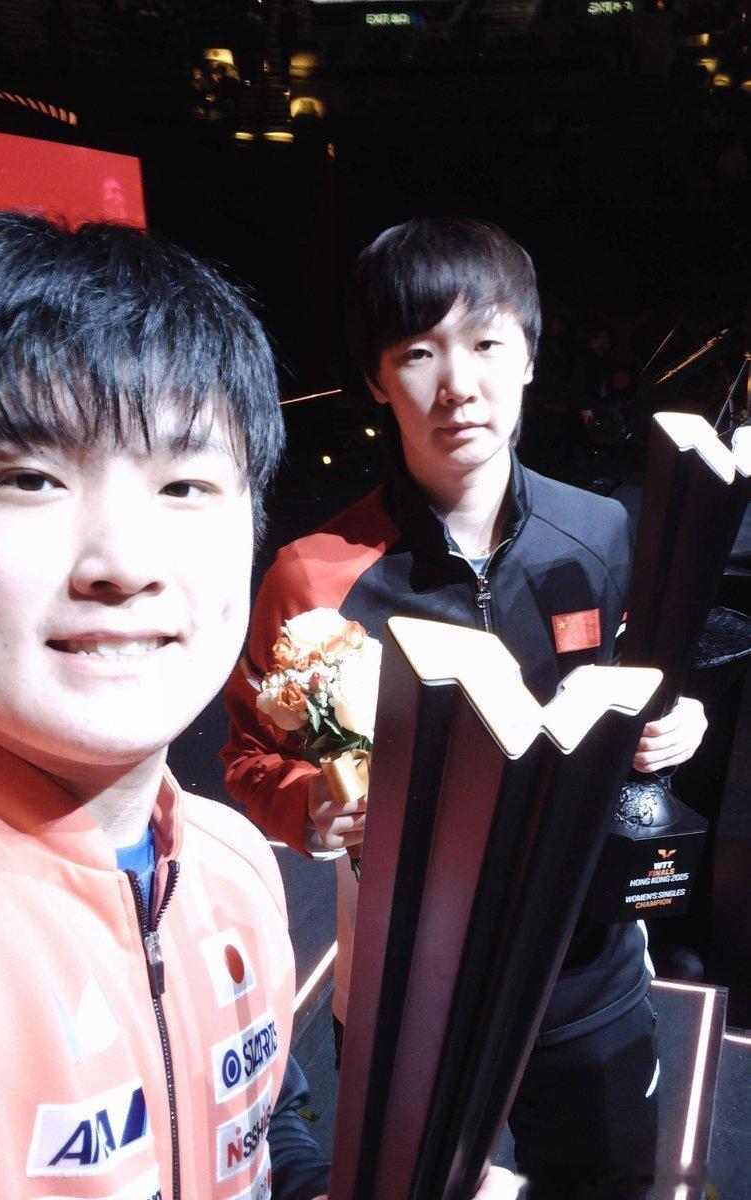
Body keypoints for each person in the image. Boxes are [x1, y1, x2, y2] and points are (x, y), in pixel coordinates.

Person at [0, 212, 519, 1200]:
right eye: (29, 478)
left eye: (185, 484)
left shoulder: (232, 862)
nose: (124, 564)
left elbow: (264, 1125)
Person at [222, 217, 708, 1199]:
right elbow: (248, 756)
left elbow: (636, 686)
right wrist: (309, 802)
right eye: (418, 353)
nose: (458, 385)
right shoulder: (314, 576)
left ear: (529, 355)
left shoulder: (600, 532)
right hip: (410, 984)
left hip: (588, 965)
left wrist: (672, 725)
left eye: (486, 343)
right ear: (375, 378)